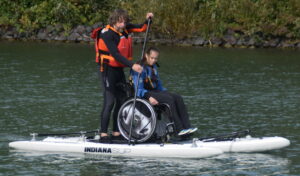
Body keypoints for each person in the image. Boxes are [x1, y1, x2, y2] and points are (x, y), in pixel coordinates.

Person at [92, 9, 154, 142]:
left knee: (121, 100)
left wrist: (148, 19)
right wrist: (132, 65)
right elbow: (115, 54)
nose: (123, 24)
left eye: (125, 21)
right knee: (110, 102)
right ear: (114, 21)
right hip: (107, 71)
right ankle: (103, 134)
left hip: (118, 70)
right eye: (121, 22)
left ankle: (116, 132)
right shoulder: (107, 34)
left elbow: (143, 28)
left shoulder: (125, 29)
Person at [131, 47, 197, 136]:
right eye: (152, 58)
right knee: (169, 99)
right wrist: (149, 97)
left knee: (177, 97)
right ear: (146, 56)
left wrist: (167, 93)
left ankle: (187, 128)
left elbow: (159, 85)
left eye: (156, 58)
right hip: (144, 94)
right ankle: (179, 129)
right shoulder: (139, 67)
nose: (154, 60)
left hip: (155, 91)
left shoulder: (153, 67)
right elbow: (138, 90)